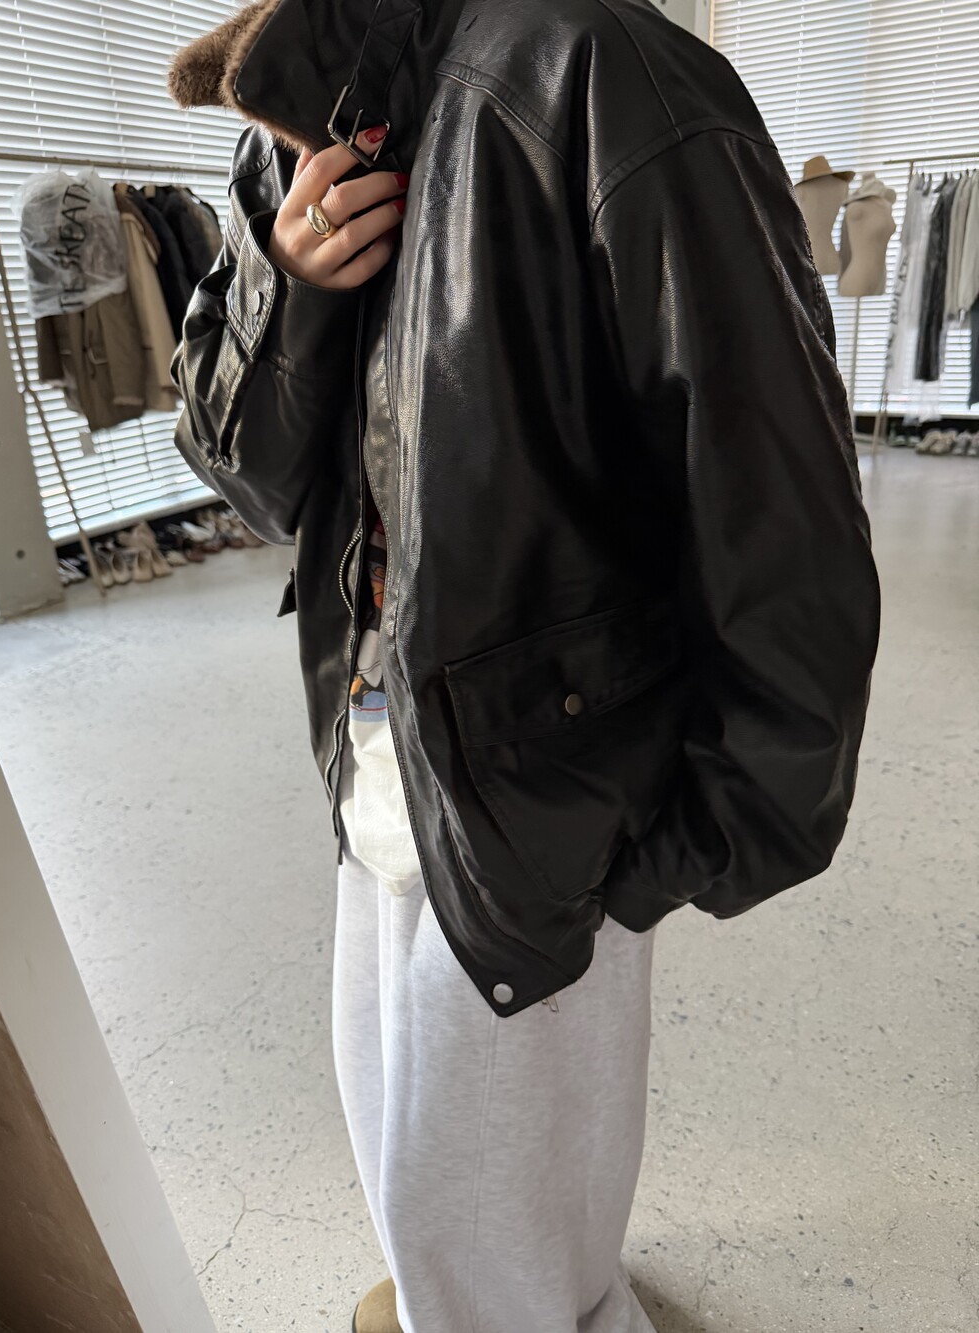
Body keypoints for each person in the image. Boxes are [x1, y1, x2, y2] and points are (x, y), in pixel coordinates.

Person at [167, 1, 881, 1330]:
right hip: (374, 731)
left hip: (555, 775)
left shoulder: (608, 74)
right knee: (417, 1141)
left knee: (489, 1191)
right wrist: (288, 284)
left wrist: (698, 834)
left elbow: (776, 503)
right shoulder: (299, 102)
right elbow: (250, 475)